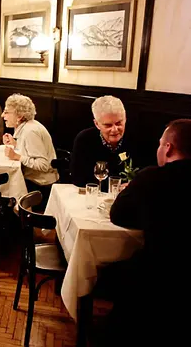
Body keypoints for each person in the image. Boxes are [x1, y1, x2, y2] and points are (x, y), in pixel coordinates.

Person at [94, 119, 191, 346]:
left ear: (168, 148)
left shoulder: (152, 178)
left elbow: (118, 215)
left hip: (160, 273)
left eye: (160, 144)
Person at [70, 96, 141, 191]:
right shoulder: (84, 139)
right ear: (96, 124)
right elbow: (78, 178)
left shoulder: (138, 138)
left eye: (119, 123)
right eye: (108, 125)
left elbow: (147, 174)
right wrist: (114, 187)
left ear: (125, 119)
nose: (115, 129)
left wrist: (131, 185)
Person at [2, 94, 58, 198]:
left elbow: (44, 165)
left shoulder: (30, 132)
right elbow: (29, 151)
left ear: (19, 116)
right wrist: (15, 143)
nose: (2, 115)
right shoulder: (26, 126)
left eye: (6, 112)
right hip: (34, 181)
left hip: (40, 185)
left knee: (3, 185)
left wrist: (17, 156)